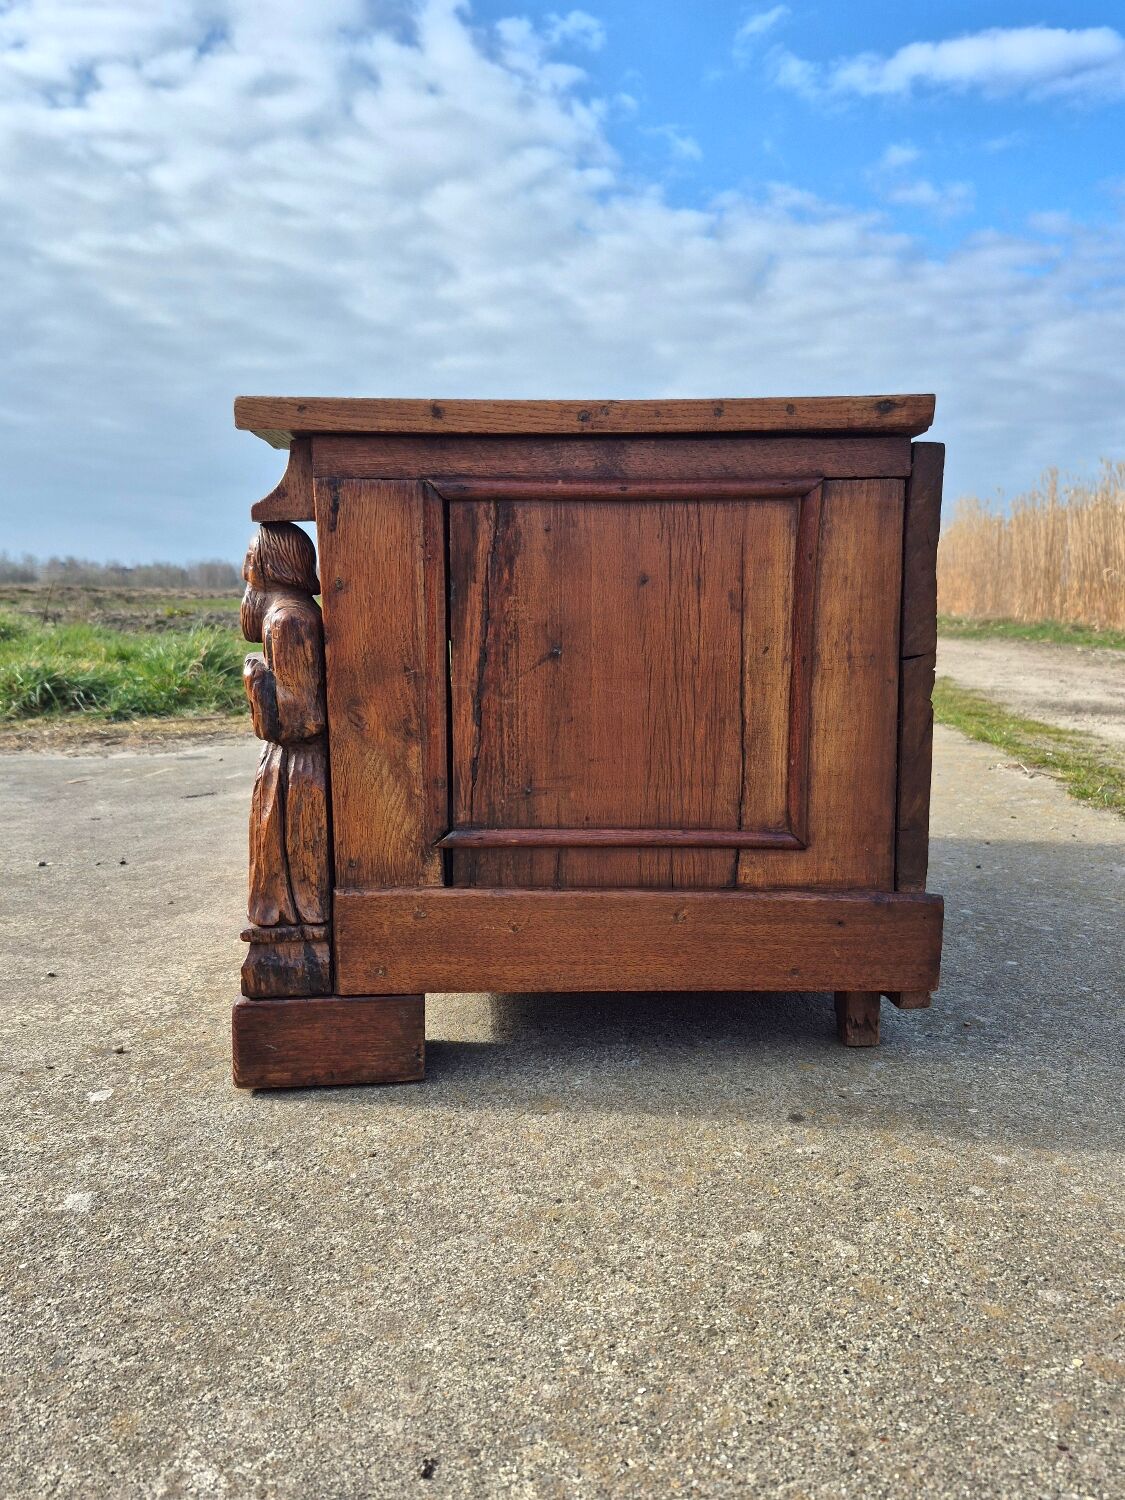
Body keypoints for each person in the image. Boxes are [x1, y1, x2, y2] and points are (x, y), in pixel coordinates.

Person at [240, 522, 329, 927]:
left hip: (297, 765)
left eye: (250, 564)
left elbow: (303, 714)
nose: (246, 576)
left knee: (294, 845)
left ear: (267, 566)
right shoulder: (286, 615)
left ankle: (294, 919)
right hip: (289, 762)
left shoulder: (287, 621)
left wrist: (255, 679)